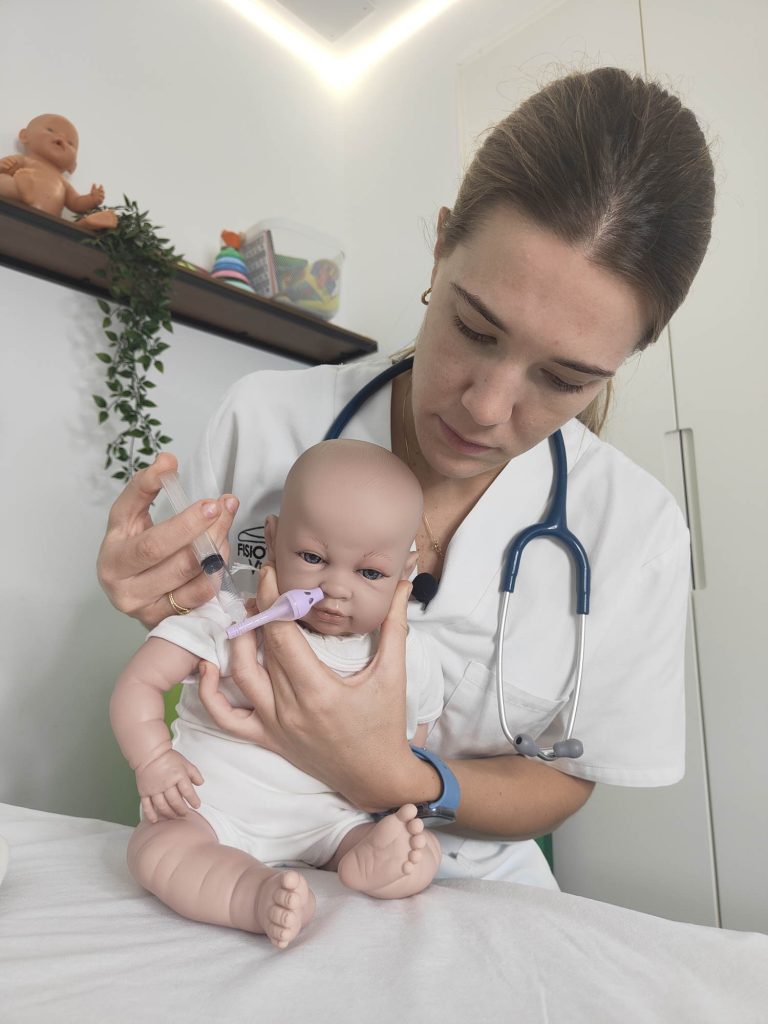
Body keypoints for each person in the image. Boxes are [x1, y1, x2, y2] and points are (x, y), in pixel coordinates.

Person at [98, 67, 716, 890]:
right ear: (440, 243)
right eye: (474, 327)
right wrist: (156, 588)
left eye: (564, 380)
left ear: (621, 364)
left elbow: (567, 777)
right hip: (235, 838)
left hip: (463, 883)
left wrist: (397, 778)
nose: (488, 408)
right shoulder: (267, 425)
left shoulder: (633, 531)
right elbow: (217, 590)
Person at [110, 440, 444, 948]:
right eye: (312, 557)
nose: (335, 586)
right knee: (156, 851)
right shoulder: (228, 619)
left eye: (370, 572)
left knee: (419, 852)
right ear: (270, 540)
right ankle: (254, 896)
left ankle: (369, 863)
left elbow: (411, 751)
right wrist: (153, 759)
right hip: (212, 813)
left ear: (406, 573)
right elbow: (140, 682)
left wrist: (388, 816)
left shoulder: (407, 658)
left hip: (333, 826)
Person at [0, 113, 118, 228]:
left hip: (49, 220)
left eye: (70, 143)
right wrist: (4, 165)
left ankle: (85, 225)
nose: (61, 139)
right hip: (16, 205)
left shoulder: (61, 182)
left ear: (72, 166)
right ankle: (20, 189)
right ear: (24, 136)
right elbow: (5, 166)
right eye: (50, 130)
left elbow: (76, 203)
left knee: (61, 228)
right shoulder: (24, 161)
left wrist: (91, 199)